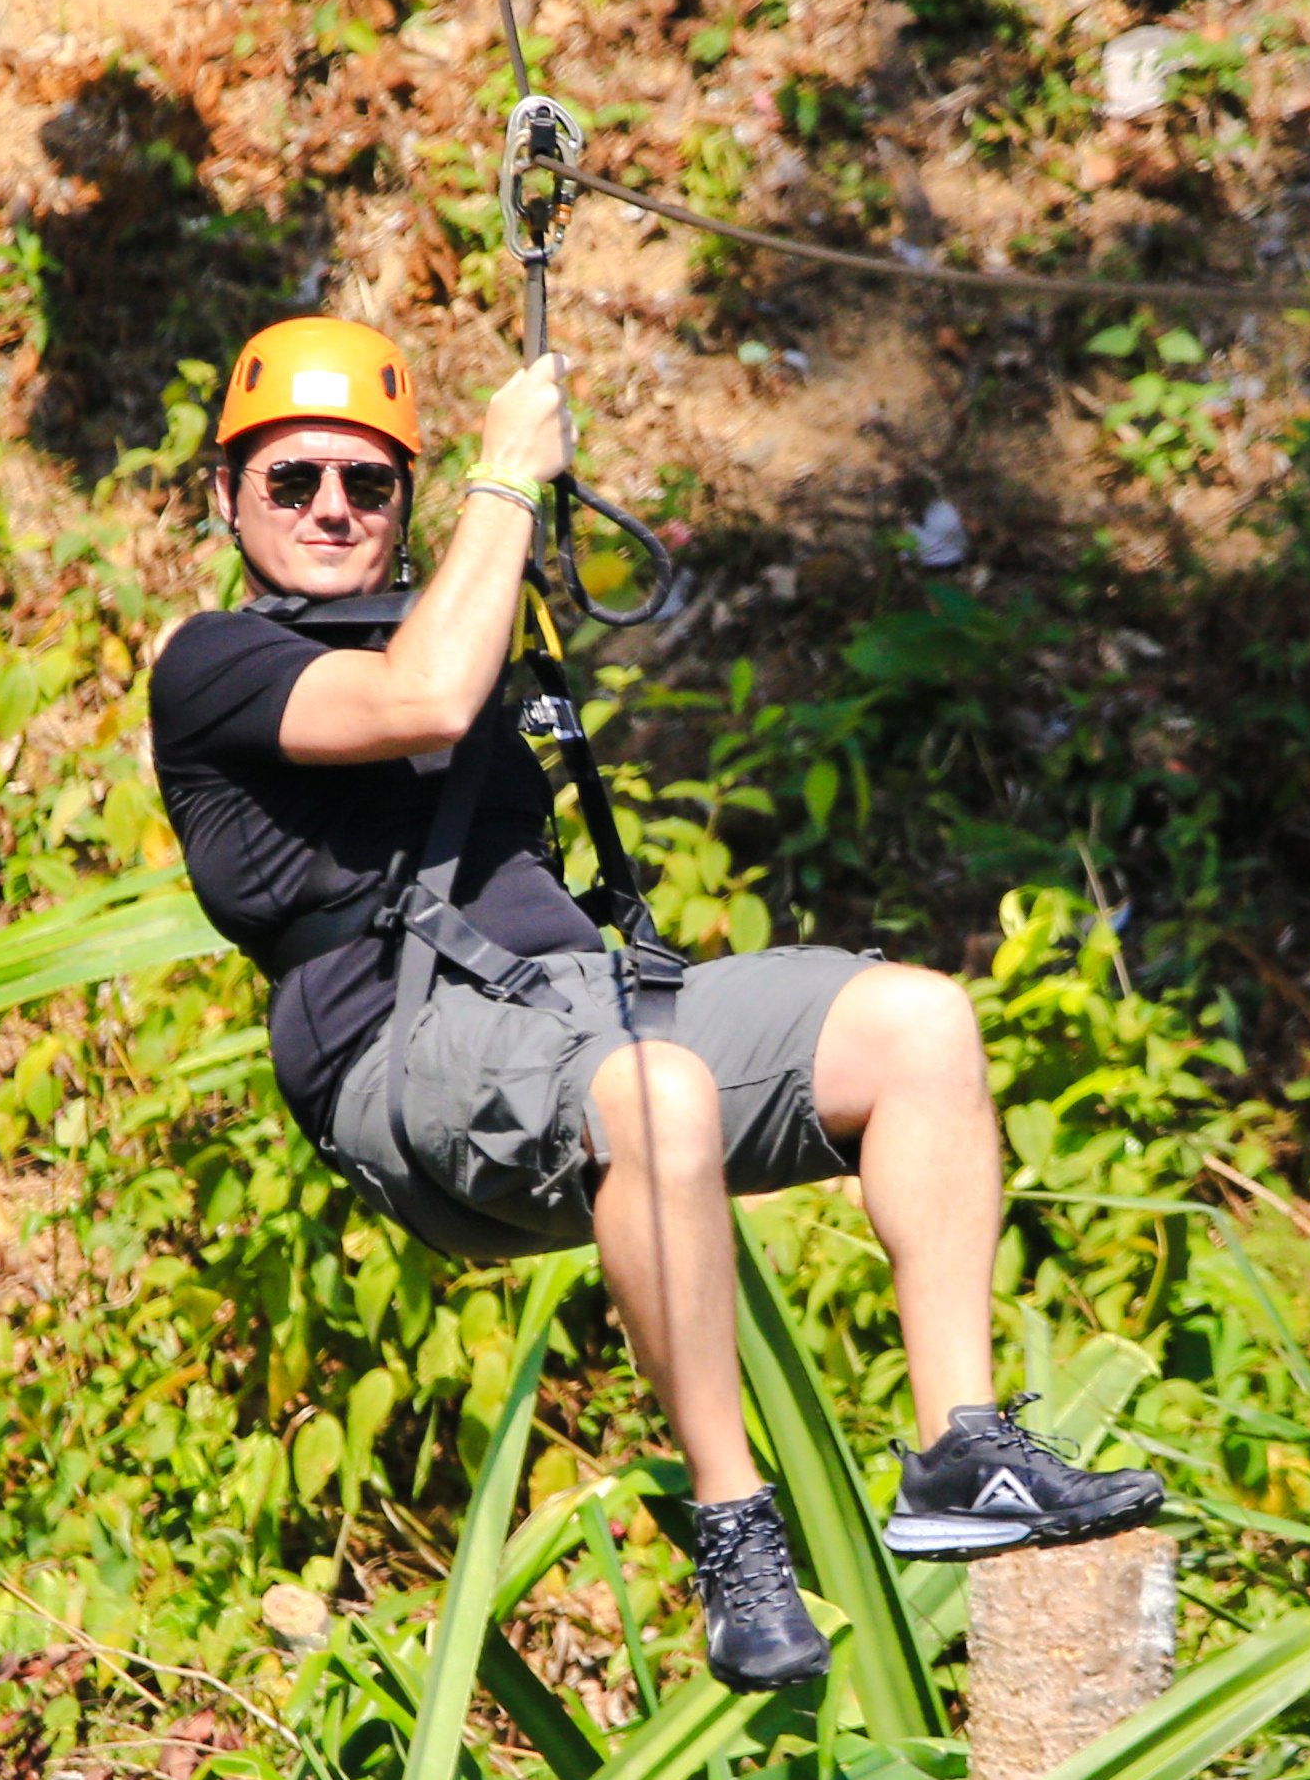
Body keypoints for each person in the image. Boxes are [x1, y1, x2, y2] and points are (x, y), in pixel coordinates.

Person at [141, 313, 1161, 1692]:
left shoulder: (465, 610)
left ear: (402, 500)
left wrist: (507, 515)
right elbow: (420, 700)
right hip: (405, 1054)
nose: (331, 506)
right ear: (227, 496)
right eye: (293, 479)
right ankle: (735, 1531)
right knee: (654, 1093)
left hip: (582, 1007)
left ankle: (961, 1451)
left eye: (367, 481)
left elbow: (455, 662)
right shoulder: (216, 663)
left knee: (919, 1025)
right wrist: (507, 473)